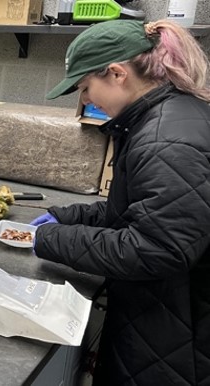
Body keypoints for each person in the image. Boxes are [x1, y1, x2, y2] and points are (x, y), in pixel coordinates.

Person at [33, 19, 210, 385]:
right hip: (171, 316)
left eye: (84, 88)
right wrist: (68, 216)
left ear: (116, 74)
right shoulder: (170, 116)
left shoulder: (164, 139)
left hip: (178, 339)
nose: (85, 100)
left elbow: (158, 247)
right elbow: (141, 210)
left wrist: (53, 240)